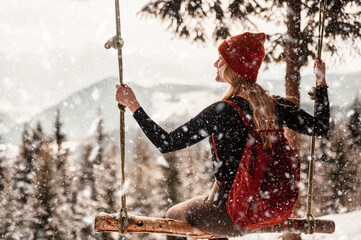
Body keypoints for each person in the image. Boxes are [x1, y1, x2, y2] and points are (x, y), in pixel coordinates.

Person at [115, 32, 330, 239]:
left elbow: (166, 143)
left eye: (220, 59)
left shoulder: (222, 111)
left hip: (232, 217)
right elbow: (321, 127)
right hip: (268, 213)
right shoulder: (275, 105)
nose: (215, 64)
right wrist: (321, 82)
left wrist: (134, 106)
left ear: (233, 67)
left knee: (174, 215)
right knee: (212, 213)